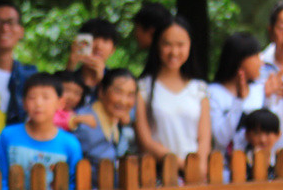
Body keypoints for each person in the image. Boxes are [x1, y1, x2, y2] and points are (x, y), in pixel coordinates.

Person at [135, 16, 211, 173]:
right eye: (167, 44)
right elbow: (145, 140)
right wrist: (182, 165)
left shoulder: (199, 89)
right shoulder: (143, 88)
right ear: (157, 45)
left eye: (181, 44)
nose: (174, 51)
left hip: (195, 175)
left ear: (190, 45)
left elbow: (204, 138)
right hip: (157, 174)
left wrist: (199, 166)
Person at [0, 0, 39, 167]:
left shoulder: (29, 77)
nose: (4, 28)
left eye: (10, 22)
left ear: (21, 31)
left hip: (18, 169)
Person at [0, 73, 83, 190]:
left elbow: (74, 186)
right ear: (24, 102)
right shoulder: (9, 136)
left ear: (60, 103)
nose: (39, 104)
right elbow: (0, 179)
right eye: (32, 97)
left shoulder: (70, 144)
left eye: (46, 97)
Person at [209, 33, 280, 158]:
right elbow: (221, 138)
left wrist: (269, 98)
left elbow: (270, 132)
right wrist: (239, 101)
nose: (261, 63)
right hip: (224, 171)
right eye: (256, 56)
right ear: (240, 59)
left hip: (259, 169)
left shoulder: (259, 90)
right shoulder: (212, 93)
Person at [72, 68, 138, 169]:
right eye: (118, 92)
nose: (124, 101)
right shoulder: (85, 123)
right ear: (101, 91)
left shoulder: (114, 121)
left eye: (130, 95)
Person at [67, 18, 118, 105]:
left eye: (105, 41)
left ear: (113, 50)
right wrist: (70, 67)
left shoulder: (117, 81)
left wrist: (101, 79)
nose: (99, 46)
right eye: (94, 38)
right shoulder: (70, 74)